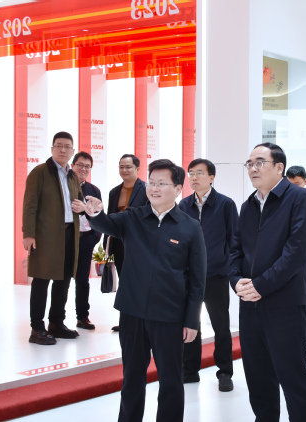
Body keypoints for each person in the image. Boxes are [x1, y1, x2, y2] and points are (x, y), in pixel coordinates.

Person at [84, 159, 206, 422]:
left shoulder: (190, 227)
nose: (154, 188)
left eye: (162, 183)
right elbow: (106, 224)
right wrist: (95, 214)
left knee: (171, 380)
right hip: (132, 312)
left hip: (170, 316)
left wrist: (191, 320)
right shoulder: (133, 217)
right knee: (132, 377)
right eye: (151, 182)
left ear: (178, 189)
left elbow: (198, 280)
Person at [230, 143, 306, 421]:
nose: (253, 169)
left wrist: (261, 285)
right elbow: (235, 250)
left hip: (285, 304)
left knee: (293, 378)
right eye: (250, 163)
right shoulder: (248, 205)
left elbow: (296, 252)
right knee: (257, 378)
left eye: (260, 162)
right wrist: (236, 281)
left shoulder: (300, 199)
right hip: (250, 306)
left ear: (279, 167)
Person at [179, 158, 238, 392]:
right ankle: (190, 370)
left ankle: (225, 372)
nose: (194, 177)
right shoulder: (183, 205)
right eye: (191, 173)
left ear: (212, 177)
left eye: (199, 173)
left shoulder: (225, 204)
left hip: (216, 275)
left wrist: (229, 269)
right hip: (189, 276)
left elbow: (234, 239)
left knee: (221, 326)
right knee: (190, 324)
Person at [22, 131, 82, 345]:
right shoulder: (40, 172)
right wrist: (28, 234)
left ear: (72, 151)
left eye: (67, 146)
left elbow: (79, 202)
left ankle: (56, 323)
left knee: (63, 280)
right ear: (52, 149)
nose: (63, 150)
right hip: (45, 236)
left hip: (69, 233)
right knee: (41, 280)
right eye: (59, 146)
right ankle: (37, 328)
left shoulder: (72, 175)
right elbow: (29, 205)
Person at [105, 154, 148, 332]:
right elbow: (109, 219)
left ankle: (141, 321)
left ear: (137, 169)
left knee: (139, 284)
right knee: (124, 284)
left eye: (128, 167)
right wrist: (106, 246)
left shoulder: (146, 189)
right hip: (119, 244)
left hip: (139, 245)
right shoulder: (114, 192)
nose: (124, 170)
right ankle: (126, 321)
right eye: (121, 167)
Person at [71, 151, 102, 330]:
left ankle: (82, 317)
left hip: (86, 240)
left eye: (87, 166)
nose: (83, 169)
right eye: (80, 165)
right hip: (67, 239)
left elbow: (99, 216)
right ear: (73, 166)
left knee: (82, 280)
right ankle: (57, 320)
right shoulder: (64, 186)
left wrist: (94, 237)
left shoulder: (94, 190)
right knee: (62, 280)